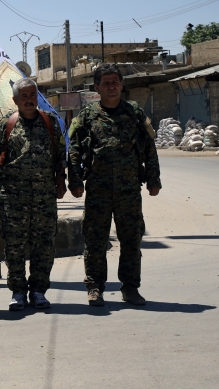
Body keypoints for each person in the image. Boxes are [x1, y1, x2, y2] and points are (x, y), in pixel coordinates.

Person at [68, 63, 161, 307]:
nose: (111, 86)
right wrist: (75, 180)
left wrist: (154, 179)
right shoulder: (87, 116)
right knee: (95, 240)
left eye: (115, 81)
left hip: (129, 189)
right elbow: (74, 150)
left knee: (131, 239)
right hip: (97, 189)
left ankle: (130, 288)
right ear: (97, 87)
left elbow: (149, 147)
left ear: (122, 84)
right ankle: (95, 287)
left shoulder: (134, 112)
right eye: (106, 82)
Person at [0, 78, 66, 312]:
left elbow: (60, 155)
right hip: (13, 198)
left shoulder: (50, 121)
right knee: (14, 246)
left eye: (32, 95)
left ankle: (39, 291)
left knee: (44, 245)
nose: (29, 99)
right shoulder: (6, 125)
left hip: (44, 197)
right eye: (24, 96)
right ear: (15, 100)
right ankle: (18, 292)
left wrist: (61, 181)